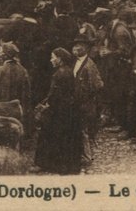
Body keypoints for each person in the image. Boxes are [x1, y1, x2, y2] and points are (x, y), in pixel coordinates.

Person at [35, 48, 83, 174]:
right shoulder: (68, 71)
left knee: (52, 136)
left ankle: (50, 165)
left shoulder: (59, 74)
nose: (51, 60)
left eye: (53, 57)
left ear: (60, 59)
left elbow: (55, 95)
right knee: (66, 138)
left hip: (59, 111)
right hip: (68, 110)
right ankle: (67, 166)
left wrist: (47, 106)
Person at [0, 42, 33, 136]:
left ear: (4, 55)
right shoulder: (23, 71)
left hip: (2, 108)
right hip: (17, 108)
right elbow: (27, 94)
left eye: (1, 52)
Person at [71, 35, 104, 165]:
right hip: (79, 101)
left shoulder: (89, 65)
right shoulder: (75, 62)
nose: (76, 48)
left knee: (85, 129)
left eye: (80, 45)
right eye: (75, 45)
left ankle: (88, 156)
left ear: (86, 48)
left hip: (87, 102)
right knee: (81, 128)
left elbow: (98, 84)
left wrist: (87, 95)